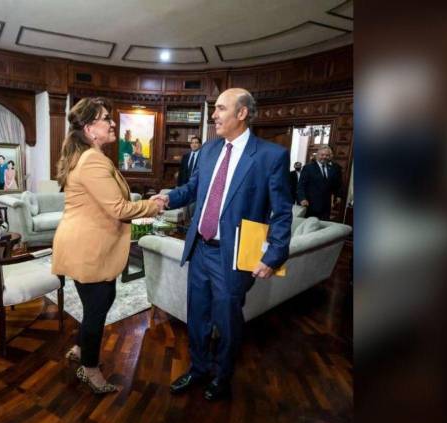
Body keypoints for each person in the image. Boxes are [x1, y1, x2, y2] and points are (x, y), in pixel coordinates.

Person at [151, 88, 292, 401]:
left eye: (220, 109)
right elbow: (192, 188)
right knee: (197, 316)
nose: (213, 115)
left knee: (227, 322)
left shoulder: (271, 156)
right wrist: (168, 198)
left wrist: (274, 255)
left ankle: (222, 376)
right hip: (200, 249)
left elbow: (282, 213)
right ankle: (199, 368)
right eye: (214, 109)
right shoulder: (210, 149)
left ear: (242, 113)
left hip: (234, 255)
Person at [52, 97, 163, 394]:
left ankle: (80, 348)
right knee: (98, 307)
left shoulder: (89, 156)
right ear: (90, 129)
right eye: (106, 119)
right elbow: (119, 208)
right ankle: (89, 369)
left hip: (85, 244)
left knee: (95, 304)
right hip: (88, 248)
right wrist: (152, 206)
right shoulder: (91, 160)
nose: (113, 123)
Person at [297, 146, 342, 219]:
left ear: (330, 156)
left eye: (327, 155)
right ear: (317, 155)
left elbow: (336, 185)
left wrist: (338, 196)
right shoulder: (308, 168)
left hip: (326, 207)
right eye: (322, 155)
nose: (324, 157)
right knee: (311, 225)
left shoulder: (332, 169)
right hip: (310, 205)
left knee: (323, 225)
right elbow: (301, 185)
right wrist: (302, 198)